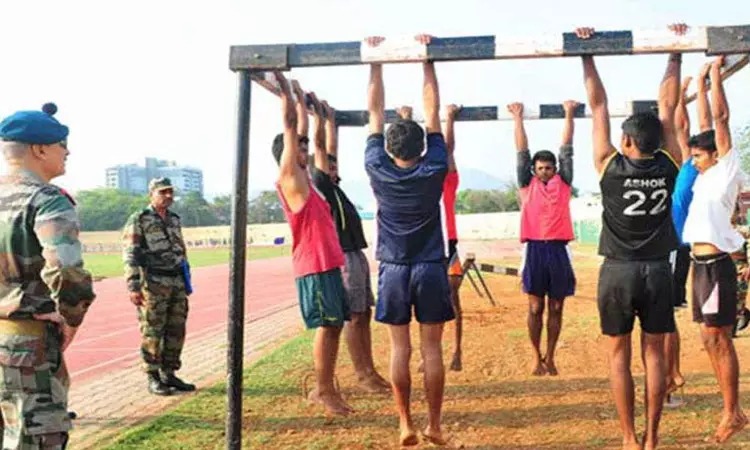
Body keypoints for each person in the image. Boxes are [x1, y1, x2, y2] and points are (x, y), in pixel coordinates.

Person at [577, 23, 685, 450]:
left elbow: (597, 104)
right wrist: (675, 53)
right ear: (659, 140)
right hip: (658, 271)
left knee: (618, 355)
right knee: (654, 354)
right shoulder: (671, 163)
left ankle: (627, 438)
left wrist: (586, 54)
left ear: (625, 141)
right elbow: (669, 103)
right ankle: (653, 436)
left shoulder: (609, 162)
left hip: (618, 272)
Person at [365, 34, 454, 446]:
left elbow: (372, 112)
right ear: (422, 144)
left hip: (394, 269)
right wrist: (427, 60)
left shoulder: (376, 166)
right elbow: (433, 110)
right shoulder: (434, 165)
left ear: (388, 146)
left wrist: (376, 62)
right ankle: (434, 424)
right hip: (431, 266)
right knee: (431, 350)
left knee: (399, 350)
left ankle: (405, 423)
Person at [0, 103, 96, 449]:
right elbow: (66, 268)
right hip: (28, 350)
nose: (67, 152)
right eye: (61, 145)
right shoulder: (46, 200)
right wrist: (71, 316)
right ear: (40, 149)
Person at [270, 73, 353, 416]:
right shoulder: (290, 178)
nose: (304, 151)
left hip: (328, 263)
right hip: (313, 266)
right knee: (327, 325)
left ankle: (327, 386)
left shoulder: (311, 181)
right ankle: (322, 389)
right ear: (287, 155)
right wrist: (286, 91)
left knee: (334, 325)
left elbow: (300, 129)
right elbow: (291, 127)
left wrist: (307, 106)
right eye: (298, 149)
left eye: (305, 148)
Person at [682, 55, 748, 443]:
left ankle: (732, 412)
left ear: (714, 155)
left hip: (716, 265)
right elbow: (706, 125)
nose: (693, 160)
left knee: (719, 338)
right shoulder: (707, 175)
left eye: (697, 155)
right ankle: (733, 410)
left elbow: (719, 122)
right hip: (699, 264)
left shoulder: (726, 169)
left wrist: (718, 76)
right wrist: (703, 83)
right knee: (709, 338)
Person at [309, 97, 390, 393]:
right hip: (342, 255)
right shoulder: (319, 184)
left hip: (354, 252)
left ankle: (369, 368)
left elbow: (331, 150)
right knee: (355, 316)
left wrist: (332, 123)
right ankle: (363, 374)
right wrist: (319, 117)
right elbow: (321, 149)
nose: (333, 168)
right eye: (329, 166)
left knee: (364, 312)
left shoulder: (334, 186)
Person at [508, 99, 578, 377]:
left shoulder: (564, 183)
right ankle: (536, 356)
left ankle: (551, 356)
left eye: (549, 168)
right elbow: (521, 151)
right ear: (534, 170)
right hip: (535, 249)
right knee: (536, 307)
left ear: (555, 169)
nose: (545, 171)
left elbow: (567, 149)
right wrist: (517, 118)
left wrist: (569, 114)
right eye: (540, 168)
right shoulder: (527, 185)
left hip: (559, 250)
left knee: (557, 306)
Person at [397, 103, 464, 373]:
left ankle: (456, 351)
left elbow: (447, 151)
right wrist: (405, 119)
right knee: (415, 303)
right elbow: (402, 152)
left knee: (451, 299)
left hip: (448, 245)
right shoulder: (415, 178)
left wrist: (448, 120)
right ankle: (427, 353)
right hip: (419, 248)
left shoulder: (444, 178)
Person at [122, 177, 196, 396]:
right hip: (153, 283)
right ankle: (153, 376)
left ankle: (169, 373)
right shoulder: (140, 219)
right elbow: (131, 254)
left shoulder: (174, 219)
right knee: (153, 330)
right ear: (151, 194)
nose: (168, 196)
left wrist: (186, 279)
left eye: (170, 192)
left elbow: (181, 251)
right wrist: (133, 286)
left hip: (176, 281)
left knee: (176, 329)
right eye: (163, 192)